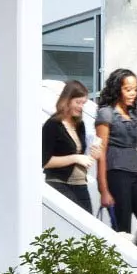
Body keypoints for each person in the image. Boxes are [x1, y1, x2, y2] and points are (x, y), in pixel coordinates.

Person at [95, 69, 137, 250]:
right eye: (128, 89)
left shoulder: (133, 114)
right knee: (122, 229)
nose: (133, 93)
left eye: (135, 89)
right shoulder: (106, 114)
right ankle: (121, 268)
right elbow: (100, 152)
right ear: (117, 89)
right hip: (116, 173)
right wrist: (103, 189)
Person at [42, 80, 97, 212]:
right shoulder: (52, 125)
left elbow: (81, 157)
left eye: (83, 103)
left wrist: (93, 155)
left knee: (88, 228)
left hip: (80, 184)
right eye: (78, 102)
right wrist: (75, 158)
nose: (81, 107)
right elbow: (45, 161)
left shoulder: (80, 125)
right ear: (66, 101)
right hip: (60, 184)